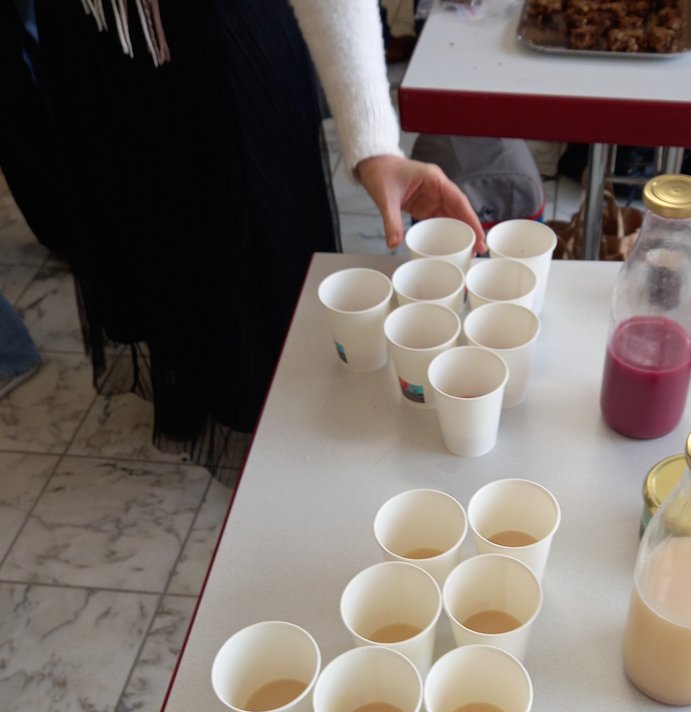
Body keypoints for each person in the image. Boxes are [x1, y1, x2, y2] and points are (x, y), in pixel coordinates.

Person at [30, 0, 485, 484]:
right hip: (97, 34)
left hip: (224, 43)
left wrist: (374, 146)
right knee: (150, 237)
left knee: (254, 263)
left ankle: (270, 428)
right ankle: (190, 384)